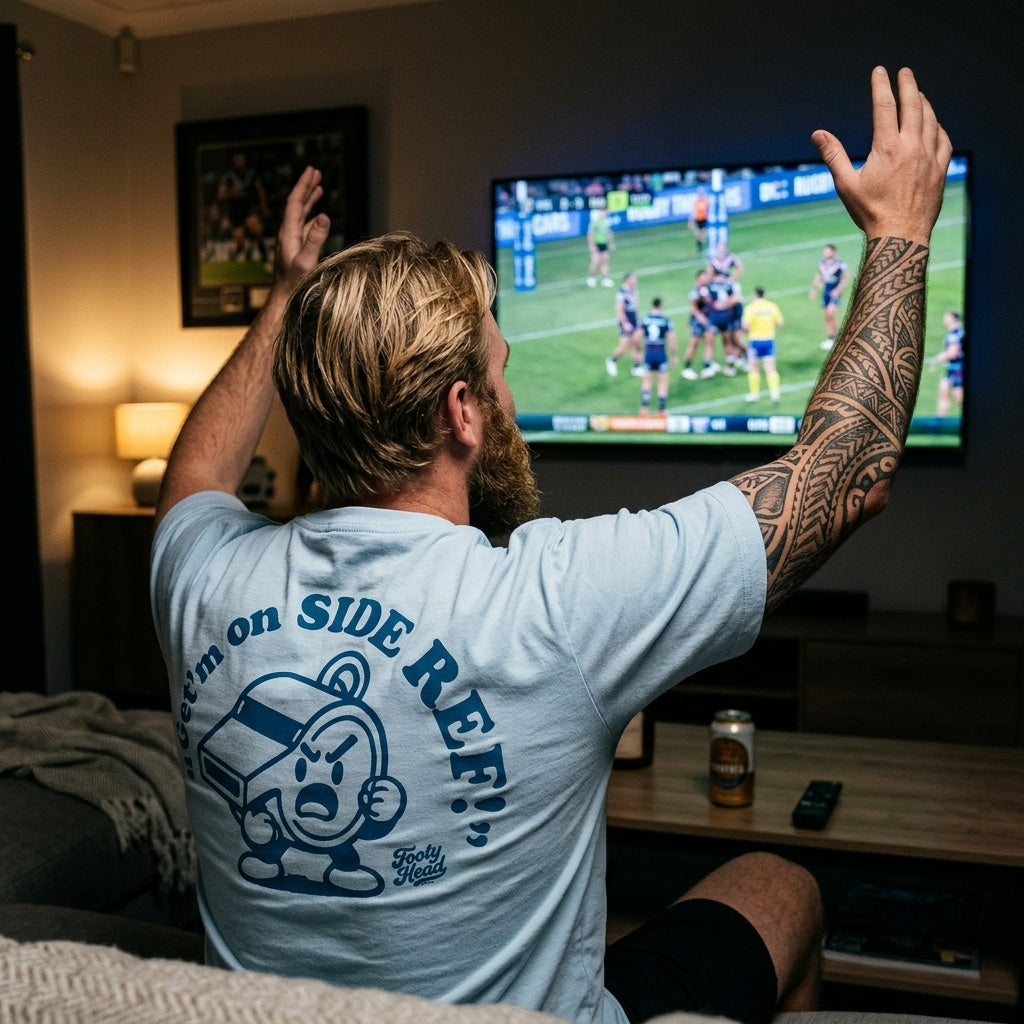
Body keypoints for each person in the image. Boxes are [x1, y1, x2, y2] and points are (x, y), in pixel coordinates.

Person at [152, 67, 951, 1024]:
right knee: (783, 883)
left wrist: (286, 295)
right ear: (462, 412)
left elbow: (194, 474)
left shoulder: (201, 582)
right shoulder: (555, 600)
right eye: (500, 373)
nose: (511, 403)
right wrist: (901, 231)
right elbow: (852, 464)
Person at [742, 286, 784, 403]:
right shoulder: (772, 306)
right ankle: (775, 394)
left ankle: (754, 395)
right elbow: (780, 323)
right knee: (770, 369)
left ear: (755, 295)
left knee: (754, 368)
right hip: (769, 340)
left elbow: (745, 326)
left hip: (755, 341)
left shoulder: (750, 308)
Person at [637, 298, 679, 415]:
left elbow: (637, 336)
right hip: (660, 352)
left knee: (646, 381)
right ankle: (662, 409)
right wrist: (674, 355)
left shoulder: (645, 319)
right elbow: (671, 339)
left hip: (649, 352)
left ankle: (644, 408)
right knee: (662, 382)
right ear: (661, 306)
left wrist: (638, 351)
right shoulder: (665, 320)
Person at [808, 243, 850, 351]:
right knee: (828, 316)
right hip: (826, 293)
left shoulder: (840, 264)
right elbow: (818, 276)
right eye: (825, 251)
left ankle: (831, 339)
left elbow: (846, 277)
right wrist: (814, 289)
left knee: (831, 313)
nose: (826, 253)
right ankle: (840, 336)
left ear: (833, 252)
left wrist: (839, 289)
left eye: (828, 251)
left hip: (834, 293)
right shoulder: (822, 263)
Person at [605, 271, 643, 377]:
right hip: (625, 323)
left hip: (634, 321)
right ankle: (611, 360)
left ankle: (636, 367)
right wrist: (625, 323)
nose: (635, 281)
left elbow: (634, 307)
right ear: (627, 280)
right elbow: (619, 310)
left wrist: (637, 320)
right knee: (624, 346)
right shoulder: (621, 293)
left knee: (637, 344)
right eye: (633, 279)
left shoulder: (634, 290)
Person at [680, 268, 716, 380]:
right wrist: (700, 318)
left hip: (708, 319)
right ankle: (686, 367)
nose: (704, 280)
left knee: (709, 342)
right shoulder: (694, 291)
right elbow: (693, 308)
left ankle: (708, 365)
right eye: (702, 278)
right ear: (698, 279)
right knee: (694, 344)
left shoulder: (709, 289)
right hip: (697, 321)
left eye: (705, 278)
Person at [930, 309, 965, 417]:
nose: (944, 319)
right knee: (943, 391)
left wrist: (936, 359)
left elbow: (952, 353)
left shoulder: (955, 333)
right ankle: (938, 424)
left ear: (952, 319)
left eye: (947, 317)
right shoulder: (956, 332)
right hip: (951, 369)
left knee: (959, 397)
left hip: (957, 370)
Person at [586, 207, 614, 286]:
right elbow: (590, 234)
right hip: (597, 244)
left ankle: (605, 279)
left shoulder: (606, 221)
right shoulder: (594, 222)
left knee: (605, 261)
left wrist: (610, 243)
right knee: (595, 261)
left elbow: (609, 233)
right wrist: (592, 245)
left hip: (604, 244)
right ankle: (591, 278)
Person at [688, 187, 709, 254]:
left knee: (704, 233)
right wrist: (691, 220)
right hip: (698, 219)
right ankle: (699, 248)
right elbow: (693, 212)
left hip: (704, 219)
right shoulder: (696, 202)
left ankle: (706, 246)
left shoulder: (705, 200)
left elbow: (708, 210)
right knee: (698, 234)